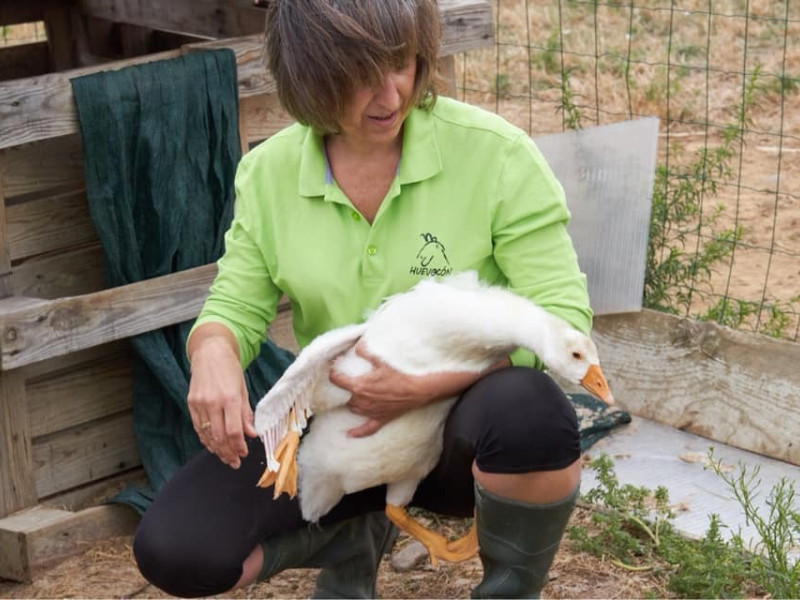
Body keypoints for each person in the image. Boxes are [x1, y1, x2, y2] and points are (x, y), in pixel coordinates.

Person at [133, 0, 593, 597]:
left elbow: (562, 317)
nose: (390, 94)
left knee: (531, 412)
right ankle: (348, 536)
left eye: (401, 63)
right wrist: (213, 350)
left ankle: (512, 585)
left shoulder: (496, 155)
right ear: (309, 79)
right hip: (339, 436)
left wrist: (427, 387)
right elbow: (236, 304)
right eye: (358, 76)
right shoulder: (268, 174)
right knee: (179, 549)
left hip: (455, 433)